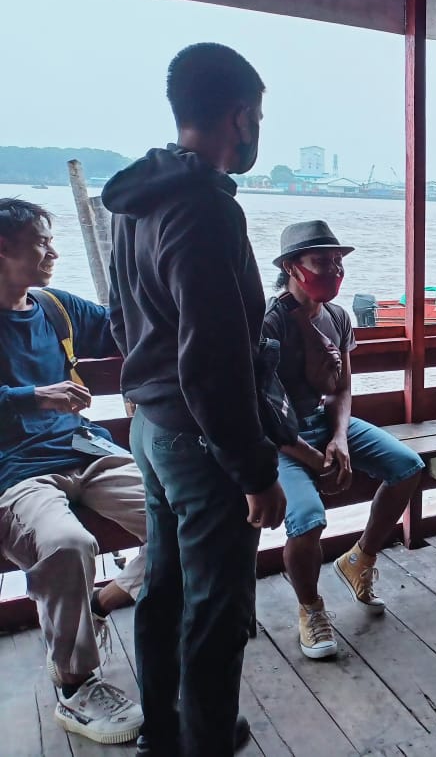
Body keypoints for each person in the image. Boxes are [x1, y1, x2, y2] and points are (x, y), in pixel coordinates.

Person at [102, 43, 286, 757]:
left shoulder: (137, 200)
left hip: (150, 427)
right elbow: (213, 363)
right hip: (200, 441)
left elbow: (123, 316)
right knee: (217, 613)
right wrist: (255, 470)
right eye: (258, 116)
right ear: (239, 116)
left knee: (165, 593)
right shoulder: (206, 209)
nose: (256, 129)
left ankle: (168, 734)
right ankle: (205, 742)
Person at [0, 198, 146, 745]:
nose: (53, 253)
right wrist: (32, 397)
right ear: (3, 247)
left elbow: (121, 328)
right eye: (41, 241)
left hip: (86, 452)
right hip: (16, 473)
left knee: (193, 509)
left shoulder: (55, 308)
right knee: (66, 544)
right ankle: (76, 683)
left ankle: (101, 601)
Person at [264, 221, 424, 658]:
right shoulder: (269, 322)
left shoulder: (336, 316)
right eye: (321, 261)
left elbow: (341, 389)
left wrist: (340, 439)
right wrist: (312, 458)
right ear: (292, 267)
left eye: (337, 262)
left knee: (407, 467)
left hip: (325, 424)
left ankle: (360, 559)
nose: (333, 270)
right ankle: (310, 608)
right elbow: (258, 410)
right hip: (280, 438)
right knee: (307, 519)